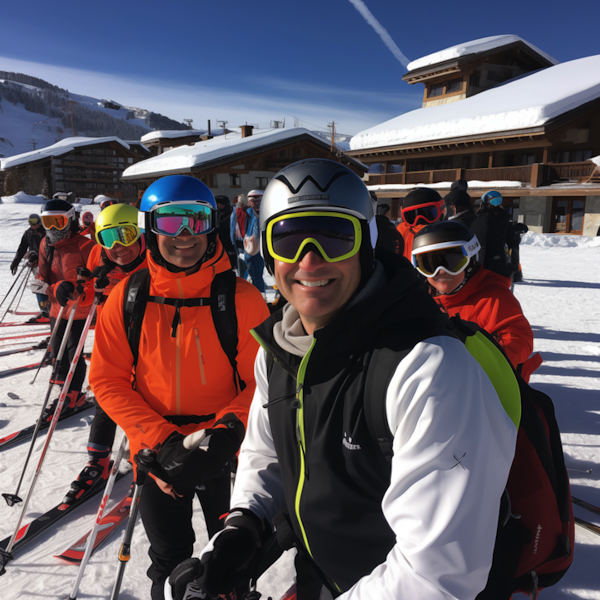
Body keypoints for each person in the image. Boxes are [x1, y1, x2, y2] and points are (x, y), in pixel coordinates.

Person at [166, 159, 518, 600]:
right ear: (270, 252)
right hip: (324, 576)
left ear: (367, 244)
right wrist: (244, 527)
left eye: (335, 235)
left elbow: (435, 575)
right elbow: (268, 453)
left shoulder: (428, 368)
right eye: (288, 237)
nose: (309, 259)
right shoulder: (278, 351)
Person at [88, 175, 270, 600]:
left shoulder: (242, 299)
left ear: (212, 225)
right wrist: (160, 443)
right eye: (171, 223)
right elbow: (107, 379)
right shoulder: (127, 297)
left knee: (230, 561)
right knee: (169, 560)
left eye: (196, 220)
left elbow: (261, 381)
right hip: (158, 455)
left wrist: (225, 434)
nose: (185, 236)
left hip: (224, 450)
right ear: (151, 229)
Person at [61, 203, 148, 505]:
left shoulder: (154, 259)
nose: (117, 246)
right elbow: (89, 291)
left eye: (125, 235)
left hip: (151, 338)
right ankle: (98, 460)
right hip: (112, 335)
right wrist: (72, 289)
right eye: (107, 238)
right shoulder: (104, 254)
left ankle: (148, 456)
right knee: (106, 395)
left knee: (147, 399)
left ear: (139, 233)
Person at [411, 221, 536, 375]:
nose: (441, 271)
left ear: (470, 260)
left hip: (488, 384)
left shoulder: (494, 298)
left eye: (452, 262)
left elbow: (519, 340)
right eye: (429, 265)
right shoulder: (422, 300)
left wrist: (481, 362)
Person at [37, 199, 95, 419]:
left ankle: (73, 394)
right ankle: (63, 389)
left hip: (79, 310)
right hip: (56, 309)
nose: (52, 228)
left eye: (58, 222)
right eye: (47, 222)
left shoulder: (86, 246)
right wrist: (52, 287)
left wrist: (75, 287)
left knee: (73, 352)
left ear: (70, 220)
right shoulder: (46, 244)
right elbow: (42, 277)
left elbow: (96, 281)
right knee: (56, 351)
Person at [471, 190, 512, 279]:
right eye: (494, 201)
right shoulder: (502, 218)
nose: (497, 204)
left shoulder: (486, 219)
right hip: (497, 262)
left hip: (486, 262)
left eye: (499, 201)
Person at [396, 188, 446, 262]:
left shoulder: (448, 233)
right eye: (412, 216)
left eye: (428, 214)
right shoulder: (402, 232)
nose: (420, 220)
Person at [243, 190, 266, 293]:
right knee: (252, 274)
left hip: (261, 248)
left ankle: (261, 296)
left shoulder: (266, 213)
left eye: (256, 200)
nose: (254, 203)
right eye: (251, 200)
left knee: (257, 275)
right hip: (249, 247)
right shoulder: (248, 213)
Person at [230, 194, 249, 278]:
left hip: (244, 238)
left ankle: (244, 276)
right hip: (239, 238)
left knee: (245, 260)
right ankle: (243, 277)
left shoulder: (246, 211)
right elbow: (232, 225)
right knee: (241, 261)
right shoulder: (236, 211)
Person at [214, 195, 236, 269]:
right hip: (217, 240)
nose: (219, 206)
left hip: (229, 240)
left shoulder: (231, 213)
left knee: (231, 261)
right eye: (218, 204)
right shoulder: (215, 213)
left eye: (221, 204)